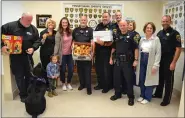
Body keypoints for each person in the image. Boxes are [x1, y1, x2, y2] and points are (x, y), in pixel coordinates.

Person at [1, 12, 40, 103]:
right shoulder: (9, 26)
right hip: (15, 57)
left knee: (29, 75)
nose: (29, 22)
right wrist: (2, 46)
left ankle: (29, 91)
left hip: (28, 56)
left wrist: (33, 48)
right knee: (19, 76)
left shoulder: (33, 28)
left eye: (31, 20)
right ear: (22, 18)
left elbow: (37, 41)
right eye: (28, 20)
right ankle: (23, 95)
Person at [153, 15, 182, 106]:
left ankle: (167, 99)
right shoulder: (159, 33)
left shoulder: (175, 33)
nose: (164, 23)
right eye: (163, 21)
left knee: (168, 80)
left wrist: (173, 62)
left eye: (166, 21)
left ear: (170, 22)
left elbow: (178, 49)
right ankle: (158, 93)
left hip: (169, 59)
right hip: (160, 58)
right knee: (160, 77)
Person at [109, 20, 139, 106]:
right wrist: (111, 58)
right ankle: (117, 94)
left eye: (124, 25)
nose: (122, 27)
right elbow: (113, 48)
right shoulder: (116, 35)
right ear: (119, 26)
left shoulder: (132, 35)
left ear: (127, 26)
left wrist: (136, 60)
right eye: (121, 25)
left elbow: (136, 48)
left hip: (128, 62)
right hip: (117, 61)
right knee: (117, 79)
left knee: (129, 80)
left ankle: (131, 97)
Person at [136, 22, 161, 104]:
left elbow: (158, 53)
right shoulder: (142, 39)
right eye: (147, 28)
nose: (149, 29)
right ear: (145, 29)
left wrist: (155, 65)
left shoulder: (156, 39)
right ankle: (142, 95)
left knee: (149, 79)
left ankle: (147, 97)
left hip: (150, 60)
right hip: (142, 59)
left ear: (153, 30)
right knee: (142, 78)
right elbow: (139, 51)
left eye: (151, 28)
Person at [72, 16, 94, 95]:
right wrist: (73, 49)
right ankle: (82, 84)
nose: (83, 21)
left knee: (87, 71)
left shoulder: (90, 30)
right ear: (80, 21)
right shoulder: (75, 30)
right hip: (78, 54)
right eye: (82, 20)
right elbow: (73, 40)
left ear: (86, 21)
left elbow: (92, 42)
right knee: (80, 70)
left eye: (85, 20)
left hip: (87, 54)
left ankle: (88, 87)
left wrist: (92, 53)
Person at [94, 12, 113, 93]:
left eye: (106, 17)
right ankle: (100, 84)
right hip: (98, 51)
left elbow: (113, 41)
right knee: (99, 69)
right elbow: (95, 37)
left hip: (107, 51)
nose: (104, 18)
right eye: (103, 17)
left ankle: (107, 86)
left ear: (109, 17)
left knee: (107, 70)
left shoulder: (113, 26)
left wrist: (104, 43)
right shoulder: (99, 26)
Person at [54, 17, 73, 91]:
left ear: (68, 23)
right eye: (63, 23)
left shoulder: (71, 31)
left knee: (71, 69)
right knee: (63, 70)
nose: (64, 24)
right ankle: (63, 83)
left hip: (70, 54)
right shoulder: (58, 33)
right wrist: (55, 55)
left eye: (66, 22)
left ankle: (68, 83)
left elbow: (73, 41)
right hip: (62, 55)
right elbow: (57, 45)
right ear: (61, 24)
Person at [39, 18, 57, 89]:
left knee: (53, 69)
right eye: (49, 23)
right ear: (47, 24)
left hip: (53, 54)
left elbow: (57, 43)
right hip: (44, 53)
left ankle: (52, 84)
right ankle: (46, 84)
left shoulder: (56, 33)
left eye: (52, 23)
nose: (51, 24)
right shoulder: (43, 32)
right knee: (45, 69)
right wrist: (43, 39)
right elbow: (40, 43)